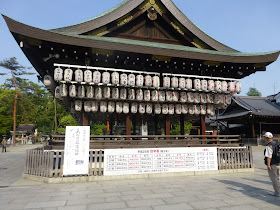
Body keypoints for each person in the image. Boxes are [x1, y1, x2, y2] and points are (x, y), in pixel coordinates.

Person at [263, 132, 280, 197]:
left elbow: (269, 156)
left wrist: (268, 165)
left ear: (266, 138)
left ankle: (277, 192)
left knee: (274, 178)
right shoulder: (276, 143)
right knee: (279, 178)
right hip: (279, 162)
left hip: (273, 164)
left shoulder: (269, 146)